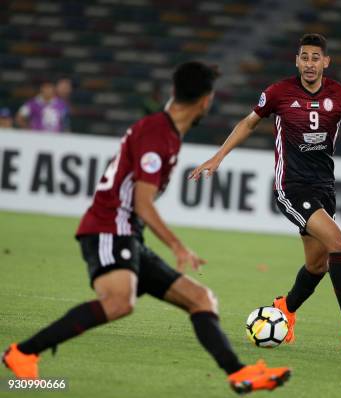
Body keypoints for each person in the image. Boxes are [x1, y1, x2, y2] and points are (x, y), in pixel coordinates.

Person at [2, 62, 291, 394]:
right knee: (119, 302)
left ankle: (240, 373)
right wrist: (178, 246)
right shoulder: (159, 135)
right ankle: (23, 353)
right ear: (206, 101)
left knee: (200, 299)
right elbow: (142, 202)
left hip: (126, 232)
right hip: (109, 227)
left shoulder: (164, 131)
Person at [190, 34, 341, 345]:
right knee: (339, 245)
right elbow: (248, 124)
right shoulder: (279, 93)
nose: (310, 63)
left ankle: (284, 309)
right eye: (305, 57)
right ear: (297, 61)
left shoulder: (339, 95)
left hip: (324, 189)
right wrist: (218, 157)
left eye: (316, 57)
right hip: (292, 188)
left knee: (318, 264)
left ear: (326, 62)